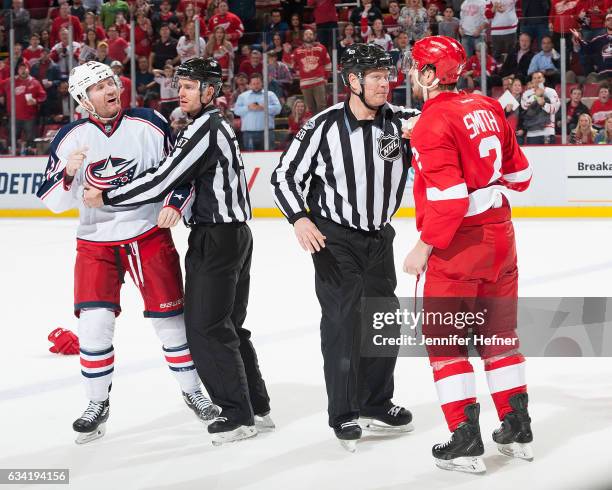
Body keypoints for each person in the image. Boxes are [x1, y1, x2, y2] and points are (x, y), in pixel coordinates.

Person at [83, 57, 272, 446]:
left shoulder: (206, 126)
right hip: (233, 237)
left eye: (189, 86)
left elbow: (164, 178)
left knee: (205, 328)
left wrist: (108, 194)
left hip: (216, 240)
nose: (180, 92)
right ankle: (257, 406)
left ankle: (237, 416)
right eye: (179, 84)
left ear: (209, 91)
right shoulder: (213, 124)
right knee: (231, 325)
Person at [35, 61, 217, 445]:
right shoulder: (69, 138)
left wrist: (174, 203)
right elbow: (51, 202)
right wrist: (68, 172)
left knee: (171, 325)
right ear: (83, 100)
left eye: (111, 82)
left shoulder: (149, 123)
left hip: (147, 236)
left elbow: (178, 173)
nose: (110, 89)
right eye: (99, 87)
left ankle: (193, 392)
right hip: (94, 243)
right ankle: (96, 403)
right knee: (93, 326)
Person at [271, 43, 419, 452]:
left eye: (387, 77)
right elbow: (283, 176)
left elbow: (443, 122)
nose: (384, 84)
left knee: (384, 320)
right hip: (335, 238)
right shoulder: (322, 126)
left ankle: (376, 401)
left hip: (379, 238)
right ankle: (344, 411)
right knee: (342, 323)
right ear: (352, 81)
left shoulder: (402, 121)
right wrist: (299, 218)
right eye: (375, 77)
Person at [404, 35, 533, 474]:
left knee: (445, 344)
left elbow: (452, 200)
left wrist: (422, 247)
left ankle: (466, 441)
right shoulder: (489, 106)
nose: (411, 74)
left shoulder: (430, 124)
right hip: (502, 239)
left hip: (459, 249)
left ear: (428, 74)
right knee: (499, 337)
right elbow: (522, 176)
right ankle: (517, 429)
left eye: (416, 66)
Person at [233, 72, 282, 150]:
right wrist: (248, 107)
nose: (256, 85)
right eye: (254, 83)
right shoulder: (242, 96)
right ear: (250, 84)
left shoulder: (270, 94)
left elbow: (278, 109)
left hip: (267, 133)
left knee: (268, 157)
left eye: (258, 83)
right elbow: (236, 111)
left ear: (262, 83)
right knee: (250, 159)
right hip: (248, 133)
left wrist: (265, 107)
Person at [290, 29, 332, 115]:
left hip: (319, 81)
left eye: (310, 34)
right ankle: (315, 128)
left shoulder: (321, 48)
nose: (308, 36)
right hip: (305, 84)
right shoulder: (297, 51)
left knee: (321, 107)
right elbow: (292, 65)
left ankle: (323, 127)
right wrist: (300, 73)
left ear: (314, 36)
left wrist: (326, 77)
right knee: (310, 109)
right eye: (306, 34)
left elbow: (328, 64)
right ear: (303, 36)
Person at [520, 71, 560, 144]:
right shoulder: (526, 93)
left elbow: (555, 109)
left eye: (539, 77)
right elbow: (524, 107)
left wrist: (544, 104)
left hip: (547, 131)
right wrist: (536, 96)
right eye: (534, 78)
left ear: (543, 79)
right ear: (532, 80)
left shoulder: (551, 91)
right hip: (531, 133)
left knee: (549, 155)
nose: (537, 80)